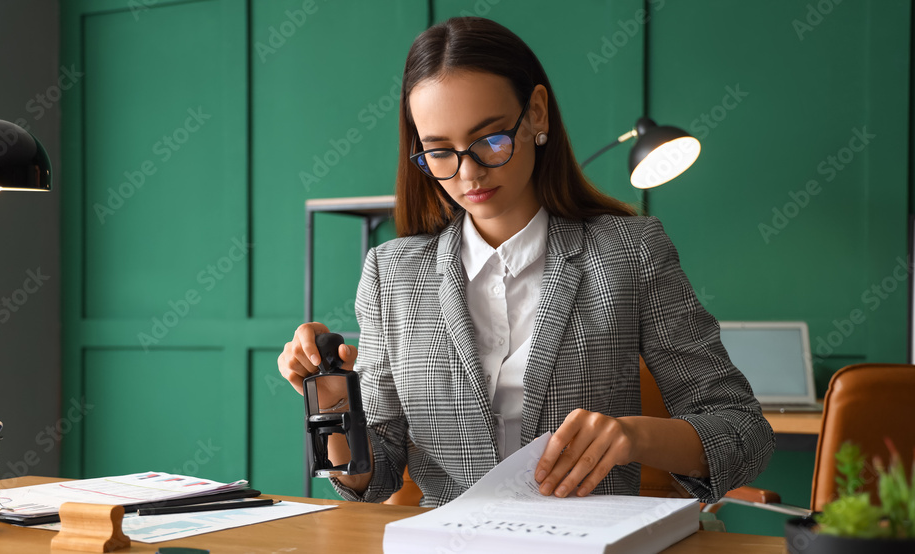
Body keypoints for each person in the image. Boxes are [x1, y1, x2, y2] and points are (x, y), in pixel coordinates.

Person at [278, 16, 774, 507]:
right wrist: (328, 398)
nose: (468, 173)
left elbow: (742, 431)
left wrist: (635, 437)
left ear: (537, 113)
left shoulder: (629, 251)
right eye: (439, 153)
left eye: (491, 140)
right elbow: (374, 478)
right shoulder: (392, 274)